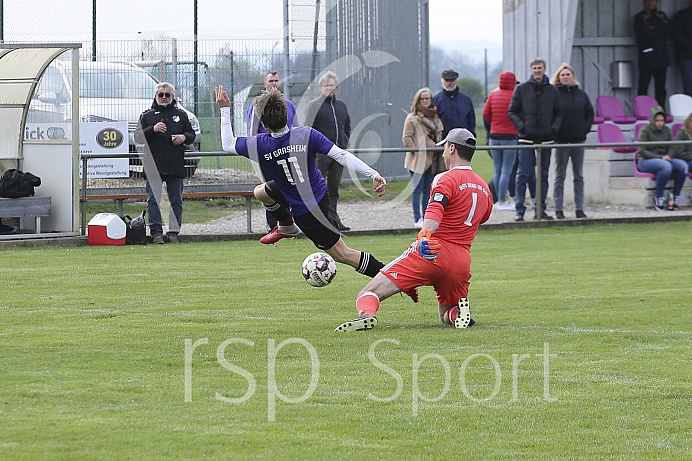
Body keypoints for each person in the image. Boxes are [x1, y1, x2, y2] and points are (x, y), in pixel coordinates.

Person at [216, 86, 413, 286]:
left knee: (344, 255)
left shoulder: (260, 143)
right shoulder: (307, 134)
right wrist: (373, 174)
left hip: (308, 211)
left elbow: (228, 143)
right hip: (314, 192)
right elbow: (341, 155)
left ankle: (396, 280)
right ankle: (286, 227)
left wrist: (225, 109)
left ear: (264, 125)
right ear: (287, 115)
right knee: (261, 192)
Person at [334, 128, 492, 332]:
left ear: (452, 148)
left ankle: (367, 316)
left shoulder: (445, 178)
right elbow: (483, 217)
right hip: (462, 260)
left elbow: (436, 209)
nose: (443, 152)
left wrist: (425, 235)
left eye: (444, 147)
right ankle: (458, 313)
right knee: (446, 314)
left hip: (432, 251)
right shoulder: (484, 187)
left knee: (369, 293)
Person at [134, 82, 195, 244]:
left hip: (175, 165)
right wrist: (152, 129)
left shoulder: (181, 115)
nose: (164, 98)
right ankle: (156, 234)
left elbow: (191, 134)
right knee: (154, 200)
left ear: (172, 97)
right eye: (161, 95)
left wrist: (183, 137)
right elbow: (138, 137)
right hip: (153, 165)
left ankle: (174, 233)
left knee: (176, 200)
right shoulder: (147, 116)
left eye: (167, 95)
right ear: (156, 96)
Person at [508, 57, 563, 221]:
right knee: (523, 174)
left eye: (540, 68)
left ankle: (541, 210)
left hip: (546, 139)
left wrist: (553, 129)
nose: (537, 71)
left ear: (544, 69)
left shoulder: (553, 91)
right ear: (531, 70)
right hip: (526, 139)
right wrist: (523, 127)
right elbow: (512, 111)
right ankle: (520, 210)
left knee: (543, 175)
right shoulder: (521, 89)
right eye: (534, 68)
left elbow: (559, 113)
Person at [247, 71, 299, 231]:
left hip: (289, 156)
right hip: (268, 156)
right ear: (265, 84)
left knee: (291, 188)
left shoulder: (289, 105)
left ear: (280, 83)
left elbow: (296, 130)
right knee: (269, 190)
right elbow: (251, 134)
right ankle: (273, 226)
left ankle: (292, 224)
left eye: (276, 80)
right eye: (271, 80)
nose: (274, 83)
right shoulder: (256, 107)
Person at [304, 71, 351, 231]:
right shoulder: (314, 105)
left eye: (332, 85)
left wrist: (344, 143)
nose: (329, 88)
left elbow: (347, 127)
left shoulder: (341, 106)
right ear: (321, 87)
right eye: (326, 85)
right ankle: (317, 219)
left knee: (334, 187)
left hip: (339, 153)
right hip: (321, 154)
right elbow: (308, 129)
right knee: (318, 187)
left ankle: (333, 219)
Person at [550, 63, 595, 220]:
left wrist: (585, 128)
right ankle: (558, 209)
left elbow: (590, 113)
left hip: (578, 141)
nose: (565, 77)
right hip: (561, 141)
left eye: (568, 74)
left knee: (579, 176)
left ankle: (579, 209)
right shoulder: (554, 94)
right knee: (560, 176)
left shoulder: (581, 94)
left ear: (572, 76)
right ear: (558, 77)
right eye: (563, 75)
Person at [402, 87, 444, 228]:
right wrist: (416, 151)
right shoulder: (412, 118)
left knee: (429, 190)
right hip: (418, 160)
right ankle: (417, 218)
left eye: (428, 98)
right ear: (418, 100)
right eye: (423, 99)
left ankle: (427, 217)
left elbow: (439, 135)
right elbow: (406, 138)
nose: (426, 101)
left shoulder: (435, 117)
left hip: (433, 159)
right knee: (417, 189)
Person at [636, 106, 688, 210]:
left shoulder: (666, 130)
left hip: (664, 159)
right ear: (652, 120)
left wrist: (669, 155)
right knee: (666, 166)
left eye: (662, 120)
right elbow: (642, 150)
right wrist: (660, 157)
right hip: (645, 161)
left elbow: (671, 146)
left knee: (683, 166)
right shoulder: (645, 131)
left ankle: (675, 196)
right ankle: (659, 196)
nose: (660, 123)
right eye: (657, 120)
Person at [482, 71, 519, 211]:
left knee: (497, 170)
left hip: (494, 136)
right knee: (506, 170)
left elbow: (485, 113)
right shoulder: (515, 96)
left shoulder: (493, 95)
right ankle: (502, 201)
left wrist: (494, 124)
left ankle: (497, 200)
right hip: (509, 136)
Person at [634, 0, 673, 107]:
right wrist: (660, 30)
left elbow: (669, 29)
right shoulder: (640, 17)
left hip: (662, 57)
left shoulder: (662, 15)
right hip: (647, 57)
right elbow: (644, 33)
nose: (650, 3)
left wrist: (655, 28)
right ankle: (641, 109)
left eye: (653, 1)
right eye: (648, 1)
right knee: (643, 85)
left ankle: (661, 110)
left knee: (660, 87)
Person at [433, 69, 476, 138]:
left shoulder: (466, 100)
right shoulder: (436, 100)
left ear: (457, 81)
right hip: (443, 140)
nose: (449, 83)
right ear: (442, 81)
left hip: (462, 140)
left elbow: (471, 121)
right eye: (446, 81)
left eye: (452, 80)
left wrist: (471, 136)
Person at [672, 0, 692, 96]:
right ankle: (689, 108)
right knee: (689, 82)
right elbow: (677, 34)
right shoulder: (682, 15)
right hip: (686, 55)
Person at [671, 113, 692, 200]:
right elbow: (678, 153)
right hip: (683, 160)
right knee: (683, 167)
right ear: (688, 122)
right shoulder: (681, 133)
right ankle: (676, 195)